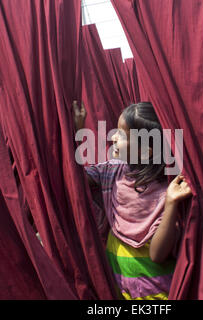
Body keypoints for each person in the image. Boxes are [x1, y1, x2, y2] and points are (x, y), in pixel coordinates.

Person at [73, 101, 192, 300]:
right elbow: (76, 179)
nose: (113, 137)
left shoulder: (168, 189)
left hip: (157, 295)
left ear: (147, 150)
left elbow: (157, 254)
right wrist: (78, 130)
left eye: (121, 134)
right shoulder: (113, 171)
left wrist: (171, 204)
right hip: (120, 289)